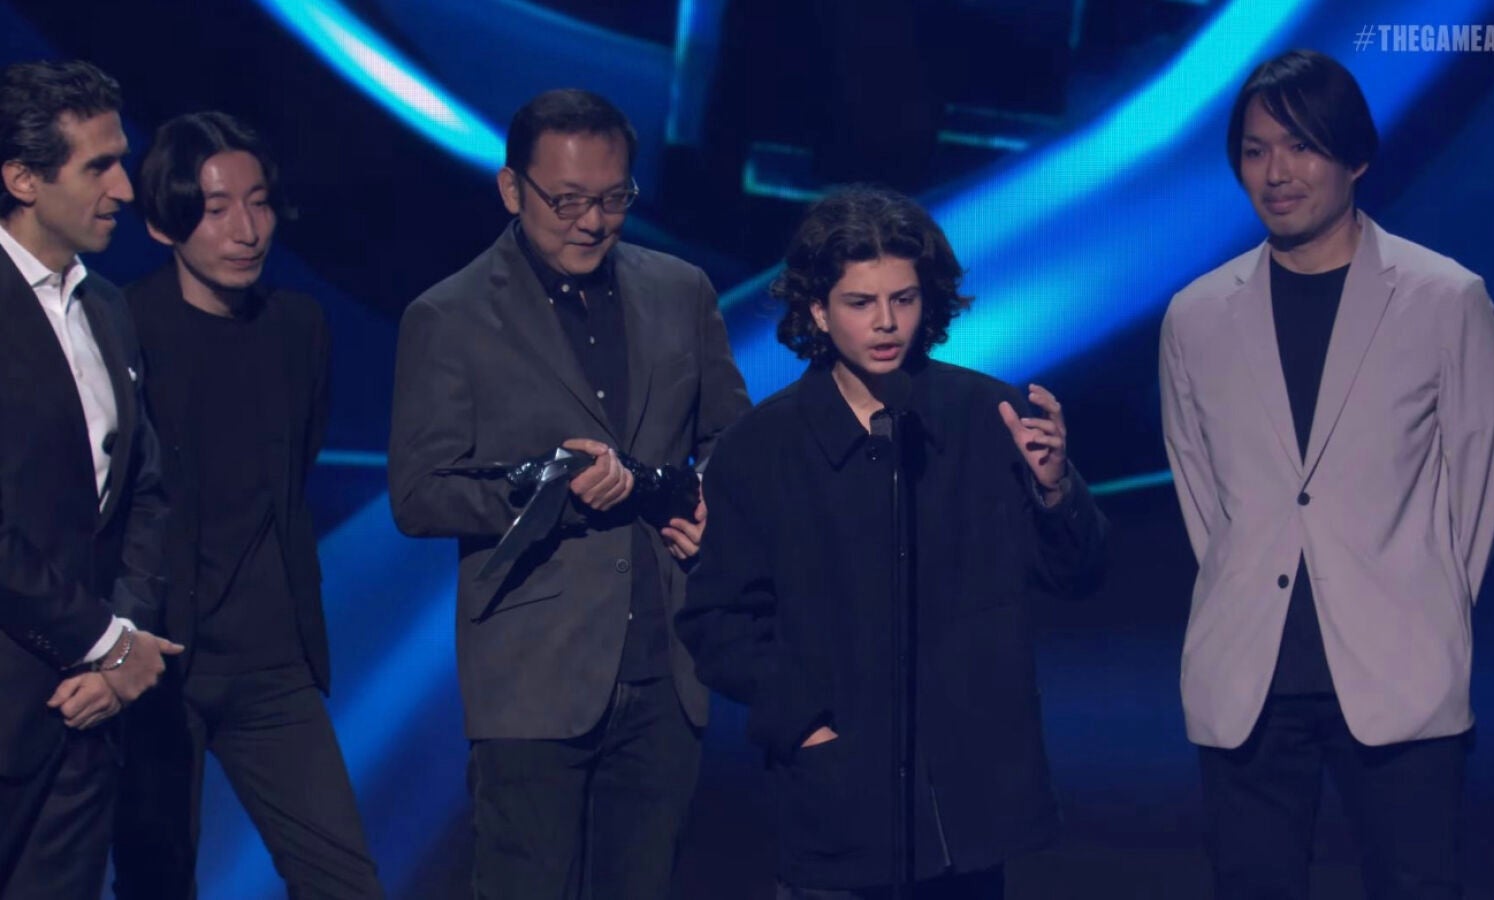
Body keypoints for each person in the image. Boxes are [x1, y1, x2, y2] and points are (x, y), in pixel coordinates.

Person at [1158, 49, 1494, 898]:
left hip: (1401, 673)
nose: (1276, 173)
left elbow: (1485, 467)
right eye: (1255, 150)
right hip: (1247, 678)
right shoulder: (1196, 315)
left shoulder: (1444, 298)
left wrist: (1426, 599)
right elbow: (1202, 493)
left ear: (1355, 157)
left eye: (1301, 146)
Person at [677, 185, 1108, 898]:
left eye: (903, 299)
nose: (886, 322)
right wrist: (806, 722)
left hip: (968, 814)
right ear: (818, 310)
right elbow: (717, 622)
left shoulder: (988, 416)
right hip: (837, 812)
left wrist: (1057, 489)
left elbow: (1080, 574)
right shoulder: (762, 448)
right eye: (860, 302)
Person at [388, 88, 751, 899]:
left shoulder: (681, 290)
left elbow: (733, 439)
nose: (592, 222)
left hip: (665, 666)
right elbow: (419, 494)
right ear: (512, 190)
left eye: (613, 199)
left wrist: (708, 505)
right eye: (568, 201)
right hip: (534, 675)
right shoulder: (448, 316)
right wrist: (550, 487)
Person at [110, 111, 382, 898]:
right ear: (163, 224)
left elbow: (294, 467)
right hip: (158, 660)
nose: (247, 229)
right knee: (157, 883)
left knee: (344, 881)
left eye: (258, 202)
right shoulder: (123, 327)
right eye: (216, 207)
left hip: (272, 661)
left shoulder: (299, 327)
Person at [0, 59, 180, 899]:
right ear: (22, 180)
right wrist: (105, 641)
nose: (125, 189)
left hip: (88, 718)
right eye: (98, 167)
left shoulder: (106, 305)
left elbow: (142, 491)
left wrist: (123, 646)